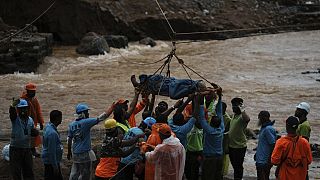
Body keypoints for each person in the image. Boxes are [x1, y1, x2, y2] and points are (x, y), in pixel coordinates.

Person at [68, 103, 111, 180]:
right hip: (84, 152)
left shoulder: (72, 125)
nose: (88, 114)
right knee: (86, 173)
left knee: (75, 172)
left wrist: (69, 152)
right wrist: (112, 108)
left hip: (75, 152)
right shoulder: (86, 122)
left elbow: (69, 138)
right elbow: (102, 118)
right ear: (83, 114)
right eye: (87, 112)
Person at [9, 99, 39, 180]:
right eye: (21, 108)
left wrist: (35, 132)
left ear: (27, 109)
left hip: (27, 149)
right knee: (16, 173)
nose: (23, 110)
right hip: (15, 149)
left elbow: (32, 133)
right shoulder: (15, 118)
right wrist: (12, 106)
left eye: (25, 108)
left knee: (29, 172)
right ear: (18, 110)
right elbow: (12, 113)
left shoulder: (30, 120)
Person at [198, 94, 224, 180]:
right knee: (217, 176)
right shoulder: (221, 129)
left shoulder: (209, 130)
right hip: (219, 157)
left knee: (207, 176)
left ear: (211, 123)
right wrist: (220, 97)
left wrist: (201, 102)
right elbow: (220, 113)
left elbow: (201, 118)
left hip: (210, 158)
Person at [131, 74, 218, 99]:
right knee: (189, 93)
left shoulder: (152, 80)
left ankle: (210, 90)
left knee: (174, 95)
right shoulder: (151, 87)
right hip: (173, 86)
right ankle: (210, 90)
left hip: (172, 86)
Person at [228, 97, 250, 180]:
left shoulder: (242, 116)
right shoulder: (234, 116)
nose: (233, 107)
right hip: (231, 146)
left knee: (238, 167)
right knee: (235, 166)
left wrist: (242, 109)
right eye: (232, 105)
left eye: (235, 106)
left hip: (239, 147)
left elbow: (247, 119)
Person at [21, 82, 44, 157]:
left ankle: (33, 150)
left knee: (33, 137)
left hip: (33, 121)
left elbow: (38, 111)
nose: (33, 93)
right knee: (25, 136)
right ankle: (28, 150)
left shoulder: (34, 99)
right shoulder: (23, 100)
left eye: (34, 92)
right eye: (31, 92)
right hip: (24, 122)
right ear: (27, 91)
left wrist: (41, 122)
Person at [42, 110, 63, 180]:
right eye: (60, 118)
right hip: (51, 162)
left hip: (49, 161)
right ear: (57, 119)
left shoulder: (48, 127)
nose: (61, 120)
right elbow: (51, 151)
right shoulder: (52, 133)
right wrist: (55, 166)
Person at [255, 111, 276, 180]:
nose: (259, 120)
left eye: (260, 118)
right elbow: (263, 144)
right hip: (260, 159)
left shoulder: (268, 129)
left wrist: (269, 160)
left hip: (264, 161)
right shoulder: (264, 128)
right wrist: (257, 154)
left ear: (265, 118)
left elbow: (273, 144)